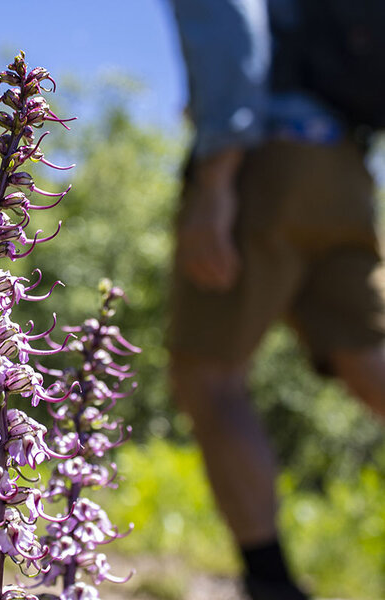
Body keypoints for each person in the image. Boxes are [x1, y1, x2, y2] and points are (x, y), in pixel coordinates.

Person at [167, 1, 385, 599]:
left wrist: (216, 181)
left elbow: (229, 28)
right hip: (345, 171)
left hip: (264, 164)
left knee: (209, 376)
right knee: (372, 364)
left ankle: (271, 584)